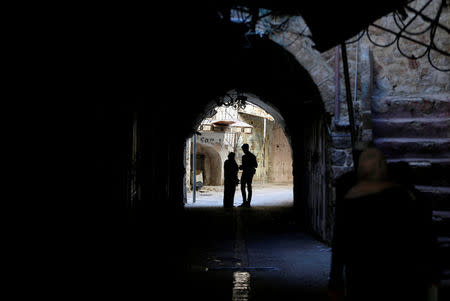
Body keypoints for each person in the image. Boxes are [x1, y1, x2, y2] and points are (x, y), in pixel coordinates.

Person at [328, 147, 433, 301]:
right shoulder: (405, 199)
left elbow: (340, 244)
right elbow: (423, 240)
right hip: (399, 278)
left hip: (362, 278)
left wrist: (335, 282)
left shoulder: (351, 203)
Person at [238, 143, 257, 208]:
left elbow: (255, 165)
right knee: (248, 187)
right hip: (249, 173)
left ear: (246, 149)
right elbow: (255, 165)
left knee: (244, 187)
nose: (243, 150)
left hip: (247, 173)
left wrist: (243, 166)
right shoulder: (252, 156)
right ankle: (247, 203)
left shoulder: (245, 157)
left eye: (243, 149)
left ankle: (245, 202)